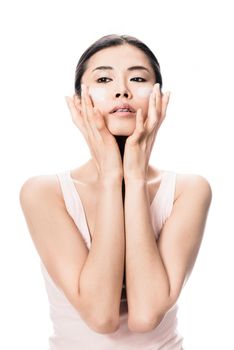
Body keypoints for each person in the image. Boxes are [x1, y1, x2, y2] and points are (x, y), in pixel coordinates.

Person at [19, 34, 212, 350]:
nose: (122, 89)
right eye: (104, 79)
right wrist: (112, 174)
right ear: (80, 102)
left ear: (158, 99)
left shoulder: (188, 191)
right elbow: (100, 315)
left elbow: (146, 314)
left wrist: (133, 176)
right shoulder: (43, 193)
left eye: (137, 78)